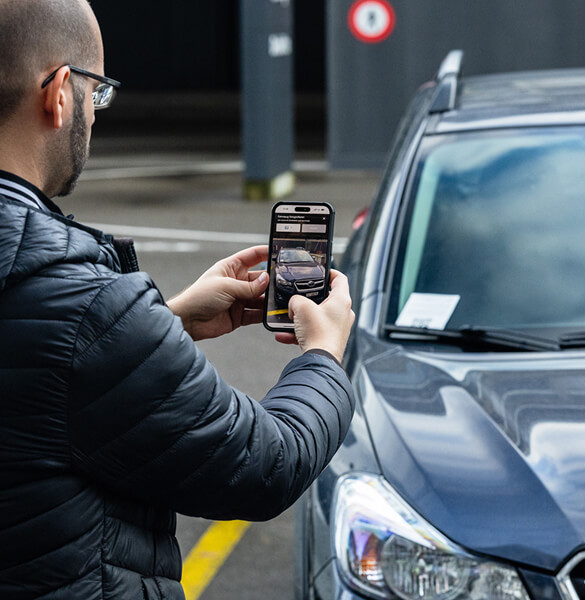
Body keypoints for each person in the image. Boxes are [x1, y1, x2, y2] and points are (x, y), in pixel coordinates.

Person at [0, 0, 356, 598]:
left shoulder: (83, 313)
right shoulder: (85, 307)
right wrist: (323, 354)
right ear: (60, 94)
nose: (96, 109)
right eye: (97, 90)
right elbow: (264, 465)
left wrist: (161, 322)